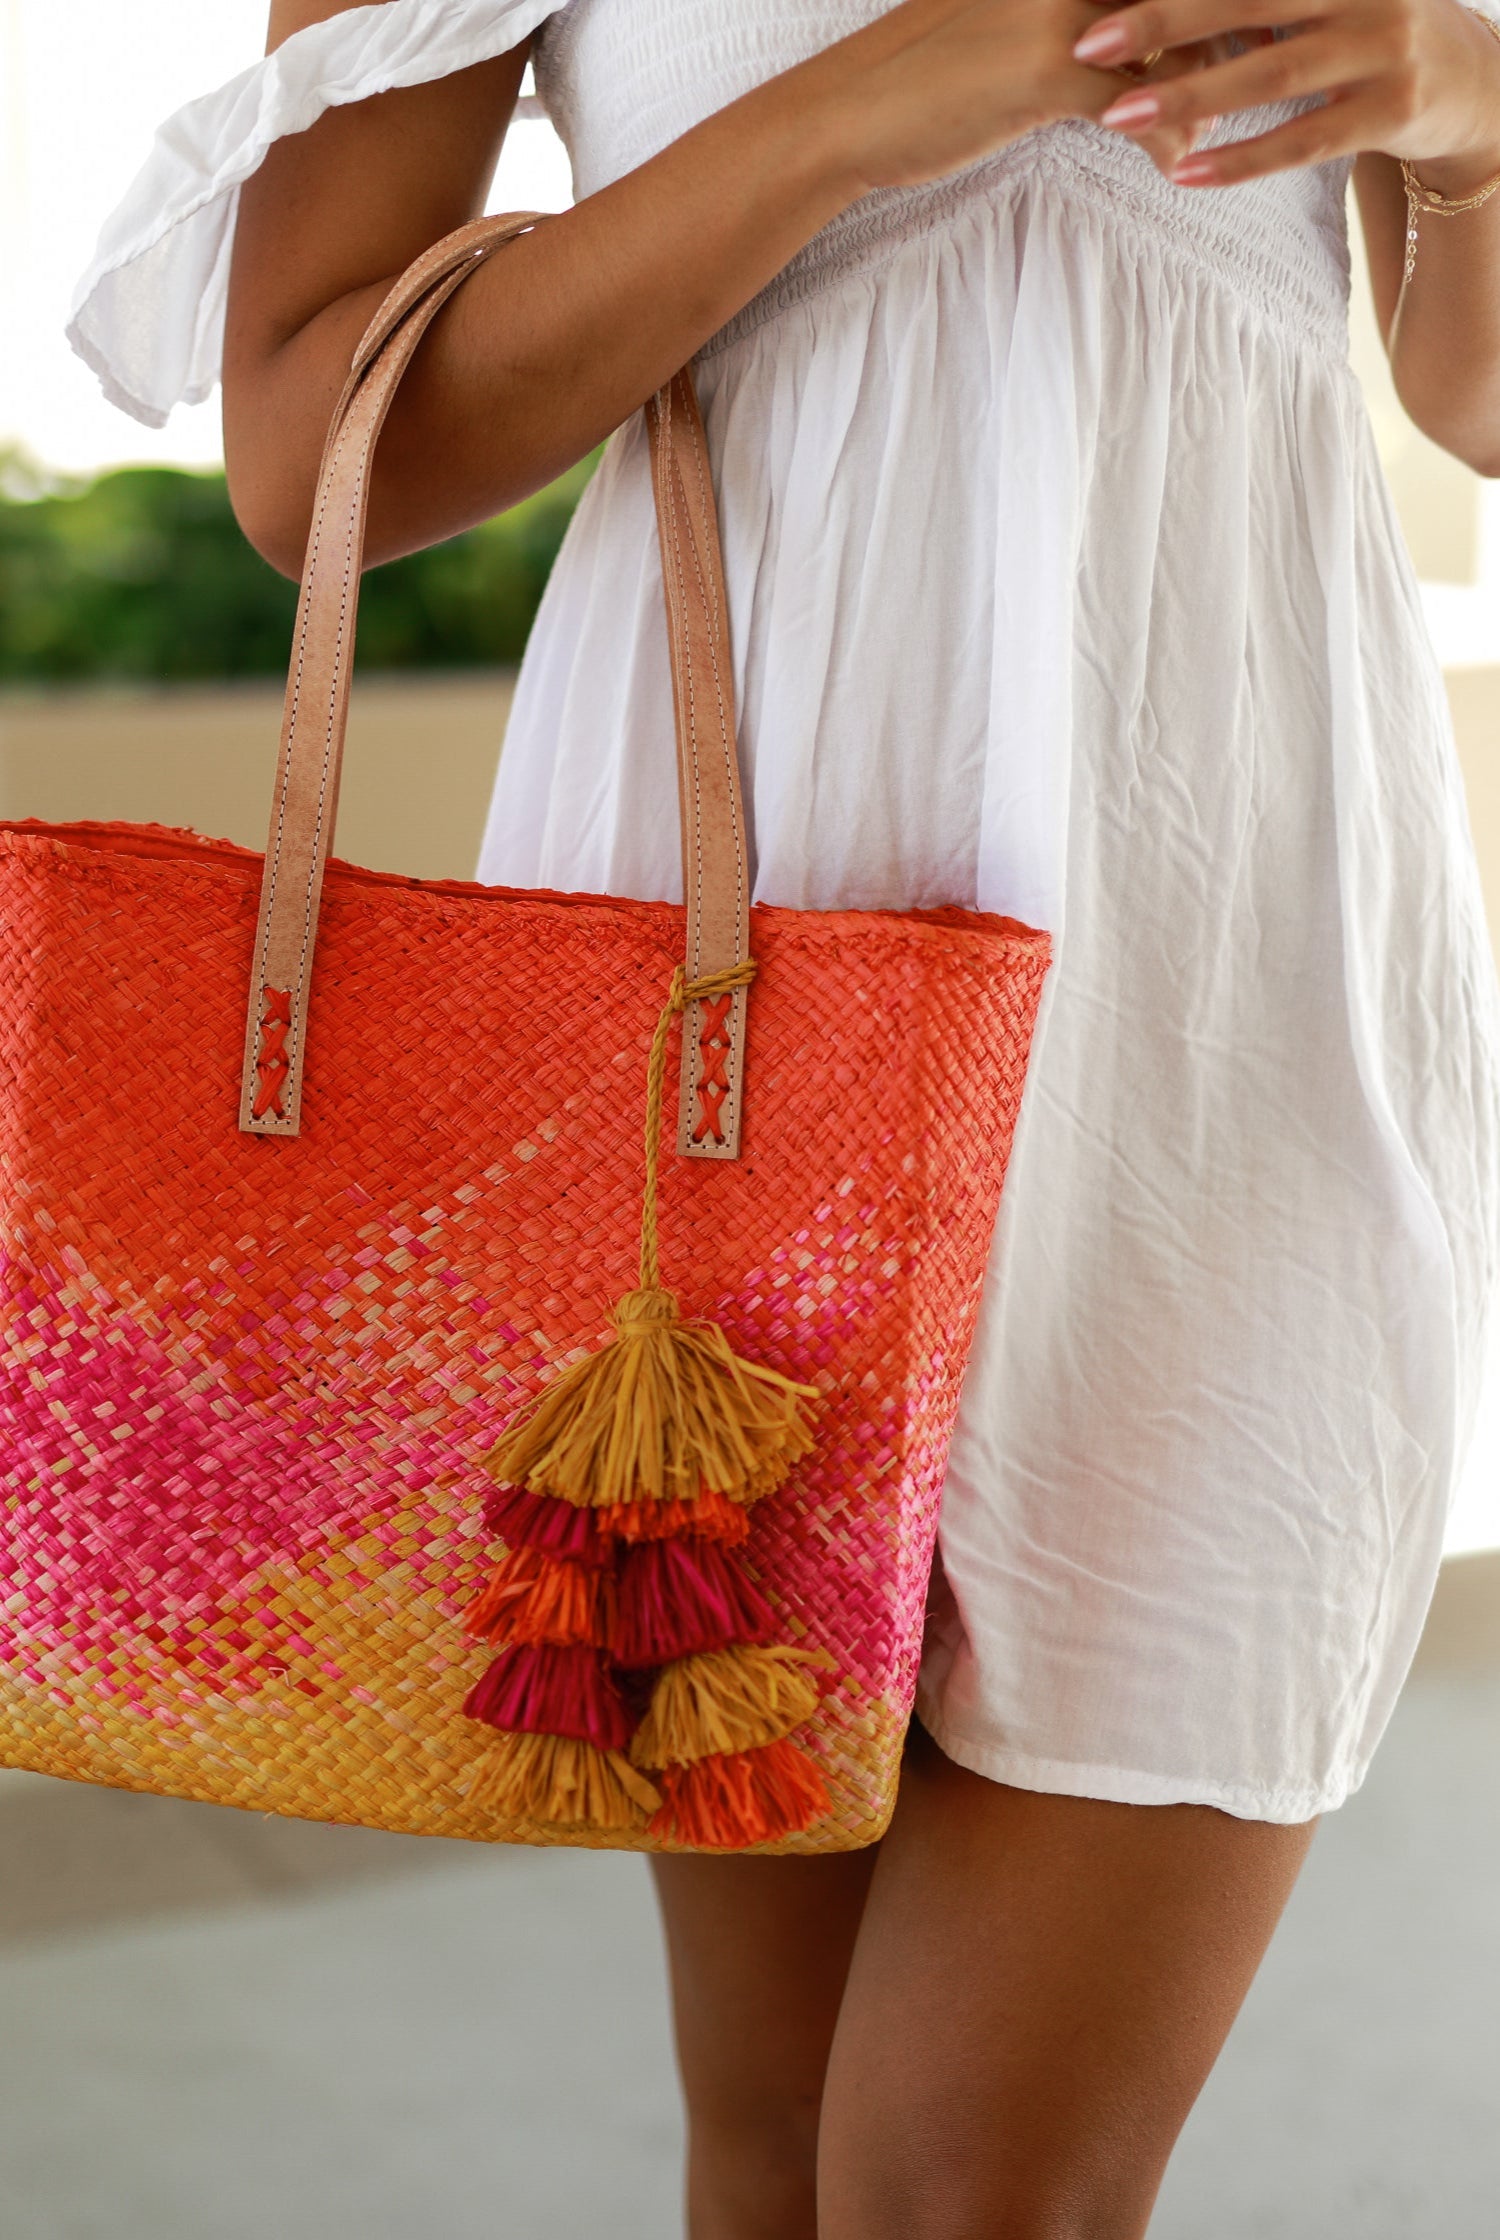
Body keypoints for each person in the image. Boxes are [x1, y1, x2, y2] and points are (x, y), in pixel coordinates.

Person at [70, 1, 1500, 2231]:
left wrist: (1467, 98)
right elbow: (308, 441)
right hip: (732, 974)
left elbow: (1472, 398)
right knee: (776, 2127)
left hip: (1234, 972)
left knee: (972, 2188)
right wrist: (902, 85)